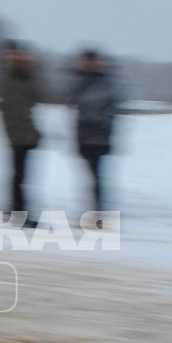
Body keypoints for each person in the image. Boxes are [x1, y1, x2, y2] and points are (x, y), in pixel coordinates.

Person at [68, 47, 118, 220]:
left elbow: (106, 105)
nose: (87, 64)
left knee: (96, 176)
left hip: (99, 136)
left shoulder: (105, 81)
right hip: (84, 135)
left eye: (90, 61)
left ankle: (98, 211)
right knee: (92, 176)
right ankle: (95, 210)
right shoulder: (80, 80)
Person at [0, 40, 43, 217]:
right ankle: (17, 208)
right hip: (14, 133)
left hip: (25, 134)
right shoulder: (7, 76)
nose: (12, 57)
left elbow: (38, 96)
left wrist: (29, 67)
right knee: (16, 175)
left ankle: (19, 209)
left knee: (20, 176)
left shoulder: (25, 77)